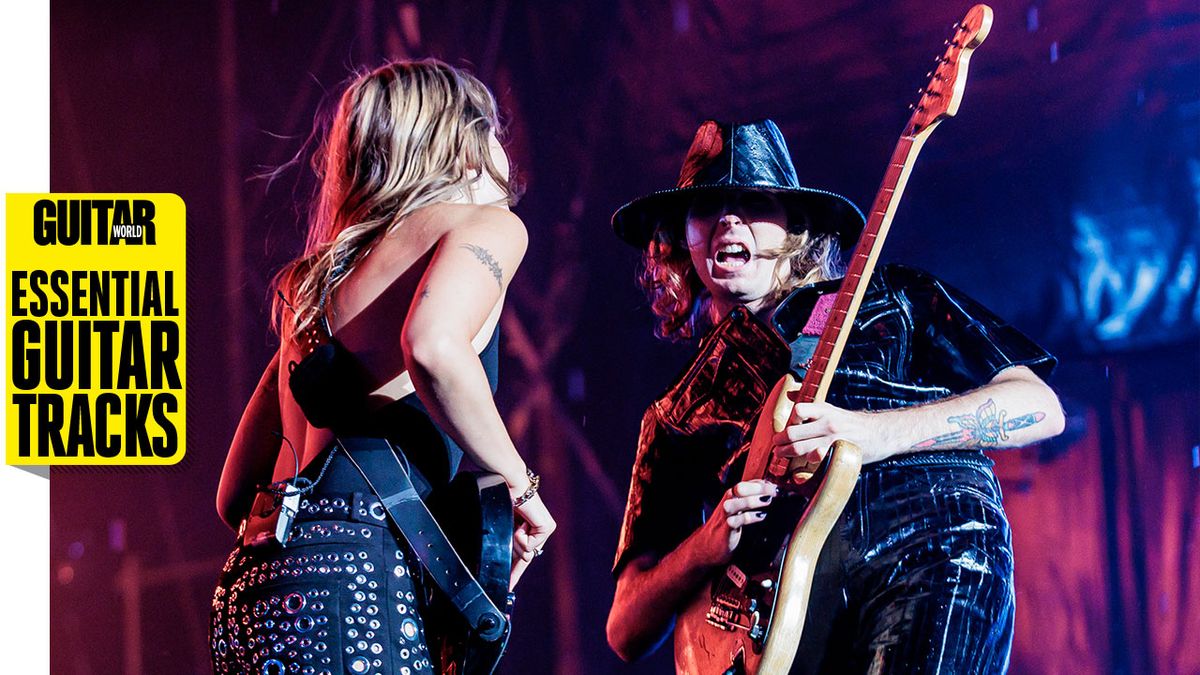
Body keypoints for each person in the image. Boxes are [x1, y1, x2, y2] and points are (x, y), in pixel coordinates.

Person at [605, 119, 1065, 673]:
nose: (728, 218)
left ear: (796, 225)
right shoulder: (677, 411)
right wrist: (706, 545)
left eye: (752, 202)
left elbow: (1038, 406)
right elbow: (625, 626)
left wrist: (874, 432)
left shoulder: (890, 296)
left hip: (933, 555)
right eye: (708, 208)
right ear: (685, 240)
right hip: (785, 628)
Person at [210, 59, 555, 675]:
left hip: (254, 595)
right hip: (357, 586)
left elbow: (234, 495)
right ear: (467, 144)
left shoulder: (312, 285)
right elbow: (432, 346)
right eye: (494, 133)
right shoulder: (487, 226)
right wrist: (519, 484)